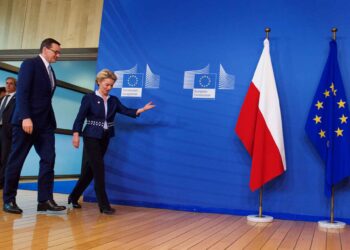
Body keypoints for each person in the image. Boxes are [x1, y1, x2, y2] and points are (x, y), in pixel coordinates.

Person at [68, 69, 155, 214]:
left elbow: (126, 111)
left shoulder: (113, 100)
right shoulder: (89, 98)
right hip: (91, 137)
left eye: (111, 86)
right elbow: (80, 117)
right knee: (99, 169)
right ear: (99, 82)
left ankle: (73, 196)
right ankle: (103, 205)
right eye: (107, 85)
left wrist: (142, 109)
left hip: (105, 137)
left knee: (90, 170)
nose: (109, 88)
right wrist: (76, 134)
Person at [2, 38, 66, 214]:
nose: (58, 55)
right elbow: (22, 91)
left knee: (48, 159)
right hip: (26, 122)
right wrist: (25, 117)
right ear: (45, 49)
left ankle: (44, 200)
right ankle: (8, 200)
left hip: (45, 125)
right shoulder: (30, 64)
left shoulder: (50, 71)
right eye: (56, 52)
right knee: (16, 160)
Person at [0, 77, 16, 190]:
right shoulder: (2, 99)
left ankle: (2, 182)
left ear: (15, 86)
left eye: (11, 84)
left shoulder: (17, 98)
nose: (8, 85)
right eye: (7, 83)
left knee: (4, 157)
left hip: (7, 131)